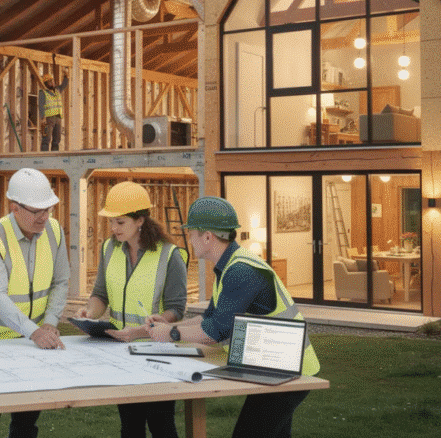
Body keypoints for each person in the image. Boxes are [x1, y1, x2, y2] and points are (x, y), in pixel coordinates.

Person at [145, 197, 320, 438]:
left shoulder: (240, 271)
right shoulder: (229, 266)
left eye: (192, 233)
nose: (189, 239)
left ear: (207, 237)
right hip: (275, 364)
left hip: (287, 369)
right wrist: (171, 324)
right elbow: (209, 318)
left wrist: (172, 334)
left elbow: (215, 332)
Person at [75, 182, 187, 438]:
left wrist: (144, 329)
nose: (113, 229)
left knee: (161, 424)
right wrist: (90, 312)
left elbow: (176, 308)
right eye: (112, 222)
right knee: (130, 425)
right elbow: (100, 294)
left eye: (121, 222)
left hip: (157, 351)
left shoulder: (170, 255)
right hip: (120, 350)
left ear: (140, 220)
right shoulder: (109, 248)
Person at [0, 167, 70, 438]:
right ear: (15, 208)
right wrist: (34, 331)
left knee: (26, 422)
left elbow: (61, 282)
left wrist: (49, 323)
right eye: (37, 211)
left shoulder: (54, 230)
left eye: (48, 209)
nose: (44, 217)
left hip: (32, 339)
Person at [38, 71, 68, 151]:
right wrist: (42, 118)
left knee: (57, 140)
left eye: (52, 80)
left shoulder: (57, 90)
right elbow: (41, 106)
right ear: (46, 84)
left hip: (58, 118)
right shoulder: (43, 93)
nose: (53, 82)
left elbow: (64, 85)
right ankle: (45, 157)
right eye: (50, 81)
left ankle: (55, 155)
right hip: (48, 119)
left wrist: (66, 77)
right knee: (46, 139)